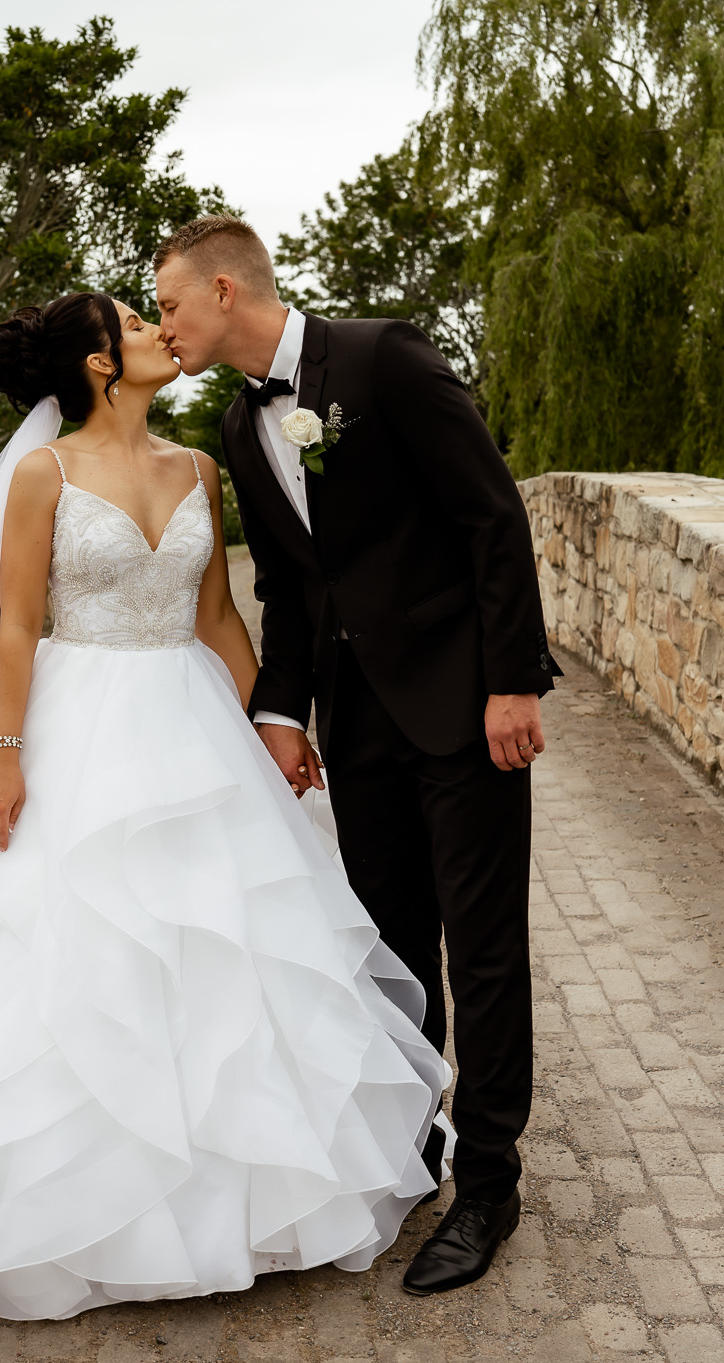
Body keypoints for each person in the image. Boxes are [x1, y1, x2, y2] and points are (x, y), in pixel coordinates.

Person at [0, 290, 450, 1321]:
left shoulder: (195, 468)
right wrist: (3, 757)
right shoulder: (40, 475)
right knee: (69, 942)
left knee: (220, 941)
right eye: (134, 327)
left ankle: (231, 1191)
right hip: (73, 719)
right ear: (98, 365)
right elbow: (16, 629)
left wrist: (274, 723)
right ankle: (62, 1209)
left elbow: (217, 613)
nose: (156, 333)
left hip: (189, 721)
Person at [154, 215, 560, 1296]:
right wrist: (279, 712)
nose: (163, 325)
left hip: (466, 708)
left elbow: (490, 517)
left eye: (169, 304)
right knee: (389, 944)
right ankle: (405, 1147)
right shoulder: (239, 430)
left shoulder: (381, 358)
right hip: (357, 725)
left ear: (227, 291)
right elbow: (293, 588)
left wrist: (512, 678)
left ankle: (487, 1184)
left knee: (480, 954)